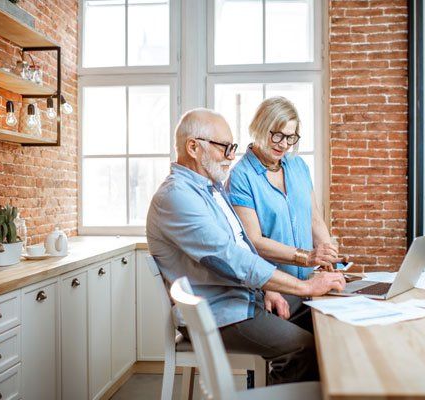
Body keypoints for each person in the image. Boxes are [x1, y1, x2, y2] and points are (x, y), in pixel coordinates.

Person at [146, 108, 346, 384]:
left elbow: (241, 246)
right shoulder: (176, 197)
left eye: (232, 148)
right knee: (306, 347)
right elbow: (229, 259)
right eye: (224, 148)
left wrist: (268, 287)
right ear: (193, 147)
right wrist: (304, 286)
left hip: (242, 301)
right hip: (220, 314)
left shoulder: (210, 189)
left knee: (323, 320)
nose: (231, 155)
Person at [227, 97, 342, 320]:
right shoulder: (242, 176)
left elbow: (314, 220)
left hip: (310, 284)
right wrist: (307, 257)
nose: (284, 144)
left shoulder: (298, 166)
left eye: (290, 137)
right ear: (260, 128)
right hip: (276, 289)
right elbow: (254, 242)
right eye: (277, 135)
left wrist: (328, 258)